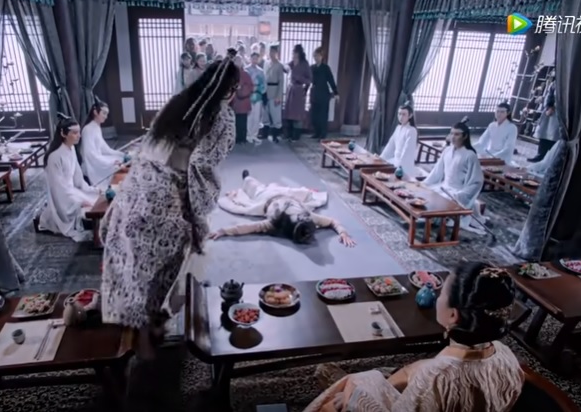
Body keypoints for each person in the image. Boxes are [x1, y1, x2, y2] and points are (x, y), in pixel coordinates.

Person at [99, 49, 240, 359]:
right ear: (230, 90)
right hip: (169, 202)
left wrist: (122, 197)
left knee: (133, 266)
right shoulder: (222, 115)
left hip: (137, 192)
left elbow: (148, 148)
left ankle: (130, 337)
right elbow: (203, 164)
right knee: (177, 266)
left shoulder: (177, 102)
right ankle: (152, 338)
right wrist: (199, 214)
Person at [307, 263, 523, 412]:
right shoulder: (507, 356)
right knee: (407, 370)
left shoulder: (436, 378)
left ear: (453, 315)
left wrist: (354, 397)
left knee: (357, 382)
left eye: (442, 293)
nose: (438, 297)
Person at [209, 170, 356, 247]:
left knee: (252, 185)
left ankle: (247, 178)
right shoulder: (309, 217)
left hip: (265, 198)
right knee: (292, 189)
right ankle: (263, 183)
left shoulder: (275, 222)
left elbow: (248, 227)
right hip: (287, 193)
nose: (302, 216)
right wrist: (343, 233)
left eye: (299, 218)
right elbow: (332, 221)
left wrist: (223, 231)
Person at [38, 118, 102, 242]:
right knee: (90, 207)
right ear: (63, 134)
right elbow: (58, 189)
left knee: (99, 198)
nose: (79, 136)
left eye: (79, 132)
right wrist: (78, 202)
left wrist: (91, 190)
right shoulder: (54, 157)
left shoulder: (71, 149)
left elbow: (78, 178)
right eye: (74, 133)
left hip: (71, 192)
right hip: (62, 199)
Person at [422, 121, 486, 234]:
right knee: (423, 195)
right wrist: (424, 184)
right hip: (443, 188)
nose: (453, 137)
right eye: (451, 133)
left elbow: (476, 181)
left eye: (457, 134)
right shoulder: (447, 150)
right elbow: (436, 172)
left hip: (457, 192)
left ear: (465, 136)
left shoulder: (470, 155)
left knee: (436, 207)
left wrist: (461, 195)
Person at [80, 100, 126, 186]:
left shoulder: (96, 127)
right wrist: (110, 163)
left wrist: (122, 154)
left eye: (107, 114)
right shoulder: (88, 129)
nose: (106, 117)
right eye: (104, 113)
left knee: (119, 159)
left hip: (97, 159)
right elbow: (90, 155)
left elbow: (105, 149)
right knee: (114, 166)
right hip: (91, 162)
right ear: (95, 112)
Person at [380, 104, 420, 177]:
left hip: (405, 164)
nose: (401, 117)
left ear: (410, 115)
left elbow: (407, 152)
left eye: (404, 114)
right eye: (399, 114)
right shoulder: (398, 128)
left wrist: (399, 166)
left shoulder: (411, 130)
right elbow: (390, 145)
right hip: (395, 160)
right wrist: (381, 158)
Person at [283, 44, 312, 141]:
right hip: (291, 90)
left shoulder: (305, 64)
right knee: (289, 113)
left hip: (299, 91)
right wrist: (286, 67)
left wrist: (300, 79)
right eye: (293, 52)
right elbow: (285, 68)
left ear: (299, 53)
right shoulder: (292, 62)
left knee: (297, 114)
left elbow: (309, 79)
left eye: (295, 52)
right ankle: (288, 134)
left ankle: (296, 135)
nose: (294, 54)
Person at [309, 47, 338, 139]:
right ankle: (316, 132)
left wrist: (336, 92)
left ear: (322, 56)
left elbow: (331, 80)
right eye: (315, 56)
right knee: (314, 115)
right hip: (314, 93)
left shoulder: (326, 68)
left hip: (324, 94)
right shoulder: (312, 68)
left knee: (323, 115)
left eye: (318, 56)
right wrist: (304, 91)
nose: (316, 57)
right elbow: (308, 81)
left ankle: (323, 133)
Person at [528, 80, 560, 162]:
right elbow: (549, 95)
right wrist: (549, 106)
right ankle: (540, 155)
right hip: (550, 111)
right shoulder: (555, 83)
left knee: (554, 135)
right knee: (544, 134)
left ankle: (550, 158)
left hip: (560, 113)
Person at [260, 44, 285, 143]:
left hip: (275, 91)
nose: (271, 54)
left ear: (276, 53)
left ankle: (276, 135)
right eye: (270, 52)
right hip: (266, 90)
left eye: (273, 52)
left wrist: (279, 96)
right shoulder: (266, 63)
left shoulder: (279, 65)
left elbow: (281, 82)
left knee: (275, 114)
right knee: (265, 114)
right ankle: (265, 133)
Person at [231, 55, 254, 144]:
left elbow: (251, 86)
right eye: (236, 61)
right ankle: (236, 138)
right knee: (235, 120)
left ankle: (242, 138)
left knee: (243, 120)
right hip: (234, 99)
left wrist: (242, 88)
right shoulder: (230, 74)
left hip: (244, 100)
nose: (238, 63)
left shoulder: (246, 74)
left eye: (239, 61)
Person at [245, 52, 266, 145]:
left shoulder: (261, 71)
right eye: (253, 58)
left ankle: (254, 135)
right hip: (248, 95)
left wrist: (260, 90)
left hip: (258, 95)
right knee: (250, 115)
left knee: (257, 116)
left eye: (256, 59)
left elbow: (264, 84)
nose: (254, 60)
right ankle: (248, 135)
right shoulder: (246, 70)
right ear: (250, 59)